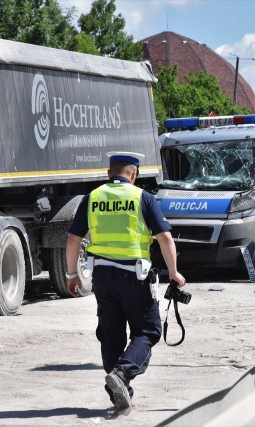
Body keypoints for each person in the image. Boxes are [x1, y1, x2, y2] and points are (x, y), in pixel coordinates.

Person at [65, 151, 186, 414]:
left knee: (111, 335)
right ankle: (122, 374)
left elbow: (73, 239)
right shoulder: (142, 197)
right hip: (135, 277)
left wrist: (71, 275)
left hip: (103, 278)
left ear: (109, 173)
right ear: (134, 175)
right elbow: (164, 237)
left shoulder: (93, 198)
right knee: (148, 330)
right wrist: (174, 273)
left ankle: (120, 392)